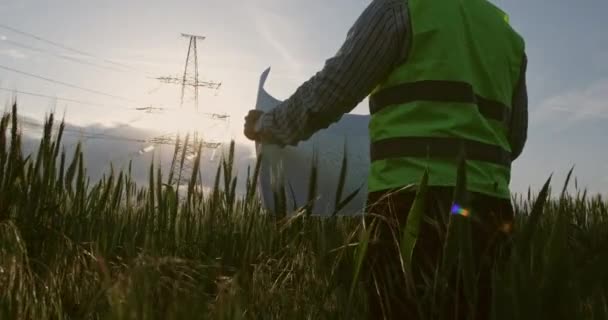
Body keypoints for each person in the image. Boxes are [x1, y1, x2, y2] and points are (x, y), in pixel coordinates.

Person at [244, 0, 527, 319]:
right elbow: (514, 140)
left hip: (411, 211)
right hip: (490, 214)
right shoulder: (507, 35)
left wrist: (267, 124)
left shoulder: (401, 8)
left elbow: (330, 91)